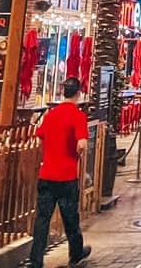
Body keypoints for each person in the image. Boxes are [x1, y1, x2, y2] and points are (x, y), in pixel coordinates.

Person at [29, 77, 91, 268]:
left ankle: (36, 260)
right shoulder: (78, 115)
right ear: (78, 94)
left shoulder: (51, 114)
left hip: (47, 175)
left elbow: (39, 135)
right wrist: (77, 153)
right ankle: (76, 254)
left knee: (42, 220)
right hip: (66, 177)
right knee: (70, 218)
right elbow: (82, 143)